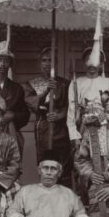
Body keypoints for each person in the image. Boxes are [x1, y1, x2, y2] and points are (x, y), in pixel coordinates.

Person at [24, 46, 72, 186]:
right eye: (44, 60)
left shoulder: (65, 84)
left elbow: (70, 107)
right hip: (43, 127)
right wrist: (46, 91)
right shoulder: (32, 84)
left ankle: (63, 194)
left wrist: (59, 116)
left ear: (56, 63)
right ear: (40, 63)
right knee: (46, 162)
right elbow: (31, 104)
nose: (47, 63)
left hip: (61, 128)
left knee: (63, 162)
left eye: (51, 60)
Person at [67, 45, 109, 156]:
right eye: (88, 60)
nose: (92, 64)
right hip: (83, 127)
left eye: (95, 60)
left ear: (101, 64)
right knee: (83, 159)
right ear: (84, 62)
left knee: (104, 159)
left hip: (104, 126)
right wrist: (75, 136)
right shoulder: (76, 83)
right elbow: (71, 112)